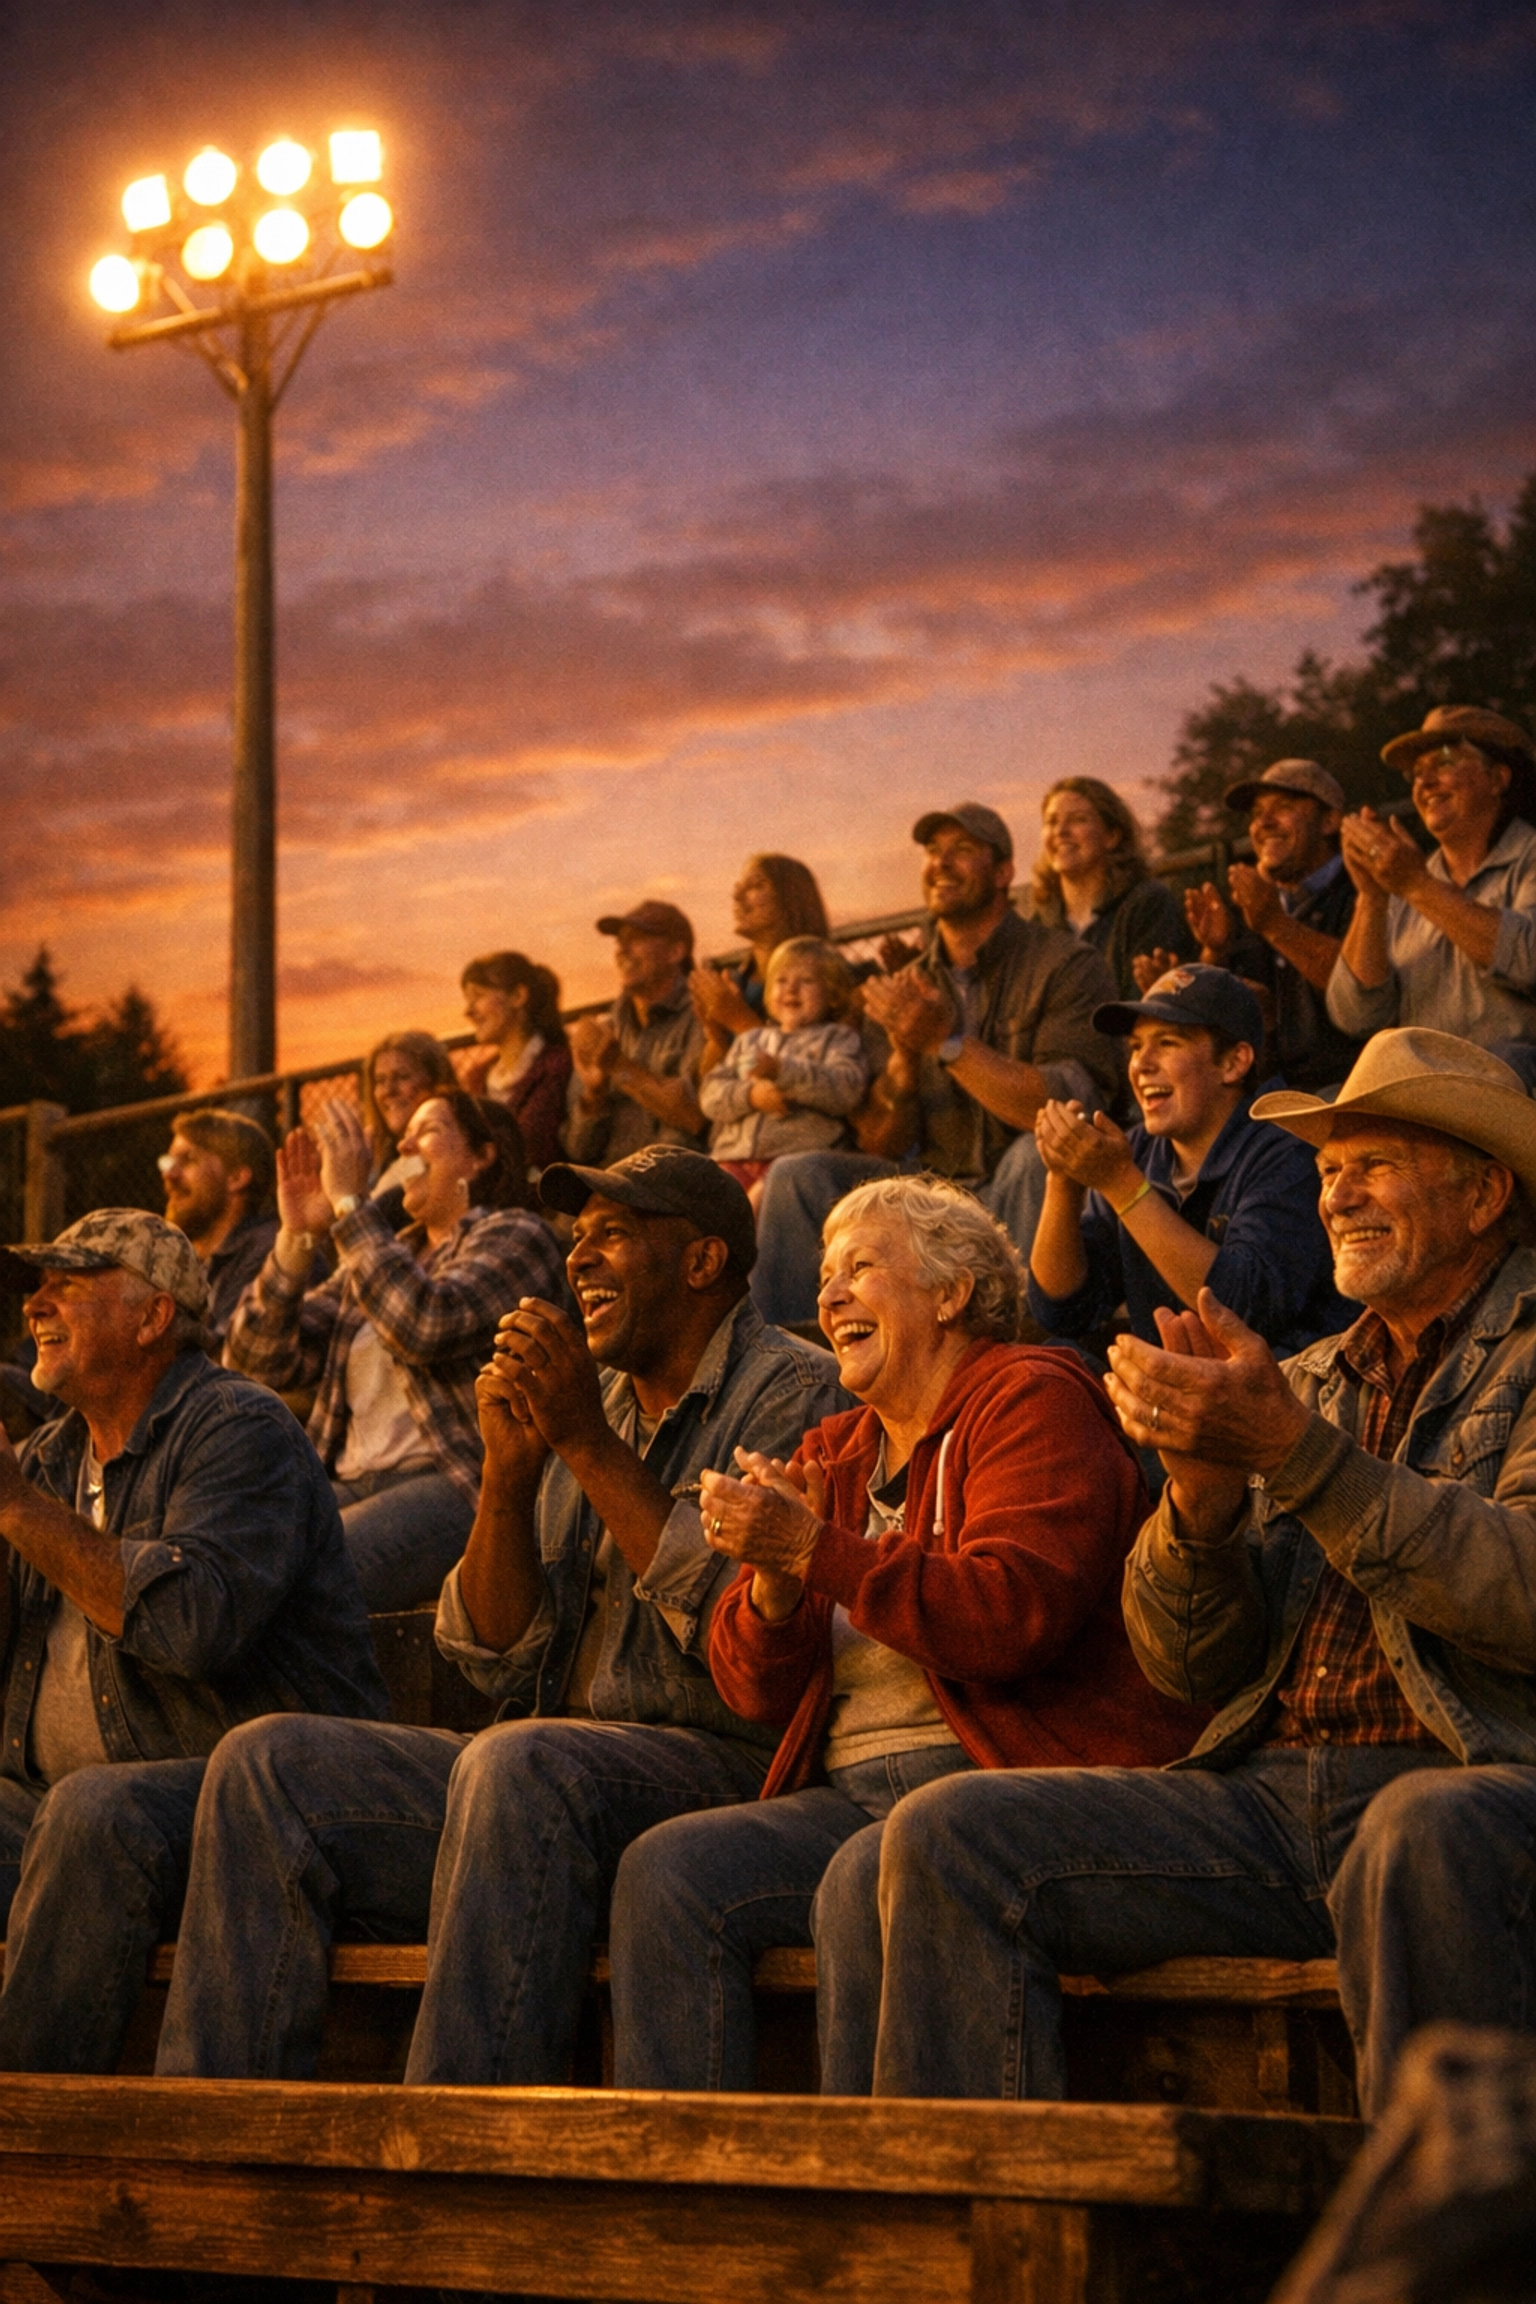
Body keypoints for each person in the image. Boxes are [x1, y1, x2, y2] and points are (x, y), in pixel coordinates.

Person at [857, 1027, 1536, 2118]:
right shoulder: (1307, 1381)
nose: (1338, 1196)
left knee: (1422, 1832)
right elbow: (1186, 1667)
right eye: (1325, 1171)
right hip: (1267, 1806)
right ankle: (976, 2250)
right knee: (952, 1835)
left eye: (1374, 1164)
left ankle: (1431, 2251)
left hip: (1478, 1782)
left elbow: (1522, 1593)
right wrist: (1200, 1508)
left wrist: (1294, 1458)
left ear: (1485, 1192)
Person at [154, 1149, 847, 2085]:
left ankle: (454, 2145)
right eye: (577, 1238)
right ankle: (219, 2141)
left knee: (522, 1760)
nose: (580, 1259)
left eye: (613, 1236)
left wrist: (583, 1445)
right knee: (269, 1764)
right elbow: (488, 1656)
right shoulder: (588, 1404)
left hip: (721, 1770)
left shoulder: (796, 1391)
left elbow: (737, 1634)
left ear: (702, 1262)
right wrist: (509, 1485)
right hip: (542, 1773)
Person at [607, 1176, 1206, 2094]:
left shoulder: (1033, 1396)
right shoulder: (836, 1450)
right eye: (823, 1279)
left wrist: (819, 1550)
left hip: (1003, 1783)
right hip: (854, 1794)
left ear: (952, 1291)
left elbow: (1012, 1615)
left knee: (864, 1877)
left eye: (861, 1269)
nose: (829, 1295)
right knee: (670, 1870)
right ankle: (693, 2200)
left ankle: (888, 2198)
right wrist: (773, 1579)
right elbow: (755, 1693)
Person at [0, 1209, 386, 2073]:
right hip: (52, 1804)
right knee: (75, 1812)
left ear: (154, 1316)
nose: (37, 1304)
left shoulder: (237, 1430)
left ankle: (28, 2149)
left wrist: (19, 1512)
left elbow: (191, 1628)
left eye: (68, 1281)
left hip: (236, 1806)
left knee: (95, 1812)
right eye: (35, 1286)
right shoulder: (52, 1453)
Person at [752, 803, 1122, 1326]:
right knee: (797, 1176)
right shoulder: (907, 985)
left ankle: (1033, 1359)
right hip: (932, 1195)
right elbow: (881, 1140)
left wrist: (947, 1044)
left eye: (962, 851)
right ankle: (801, 1374)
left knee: (1038, 1153)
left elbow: (1066, 1105)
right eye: (932, 852)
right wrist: (904, 1062)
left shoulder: (1064, 963)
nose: (941, 864)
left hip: (1017, 1182)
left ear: (1003, 873)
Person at [225, 1090, 568, 1612]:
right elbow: (255, 1360)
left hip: (459, 1482)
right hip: (349, 1479)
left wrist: (349, 1207)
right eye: (403, 1133)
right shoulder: (384, 1253)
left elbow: (426, 1323)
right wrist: (295, 1237)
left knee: (306, 1584)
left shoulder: (517, 1234)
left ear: (481, 1155)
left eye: (427, 1129)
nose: (404, 1143)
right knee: (227, 1558)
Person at [1028, 964, 1350, 1356]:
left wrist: (1122, 1185)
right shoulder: (1138, 1151)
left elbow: (1244, 1311)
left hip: (1281, 1393)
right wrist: (1063, 1178)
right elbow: (1063, 1311)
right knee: (1058, 1358)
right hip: (1176, 1391)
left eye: (1166, 1042)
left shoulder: (1289, 1149)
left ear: (1234, 1062)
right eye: (1134, 1047)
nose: (1141, 1064)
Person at [1328, 706, 1536, 1082]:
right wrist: (1372, 899)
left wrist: (1417, 886)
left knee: (1507, 1061)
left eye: (1442, 763)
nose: (1423, 784)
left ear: (1498, 778)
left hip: (1517, 1100)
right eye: (1416, 773)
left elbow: (1531, 959)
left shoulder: (1528, 858)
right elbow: (1357, 1017)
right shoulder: (1404, 880)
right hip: (1422, 1093)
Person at [1165, 760, 1364, 1094]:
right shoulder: (1245, 908)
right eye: (1257, 813)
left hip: (1350, 1090)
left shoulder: (1364, 887)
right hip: (1265, 1096)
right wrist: (1214, 953)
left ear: (1330, 820)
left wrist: (1275, 924)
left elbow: (1365, 993)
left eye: (1283, 807)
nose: (1264, 823)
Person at [700, 937, 868, 1199]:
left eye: (806, 981)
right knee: (706, 1201)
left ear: (833, 995)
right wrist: (751, 1096)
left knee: (755, 1201)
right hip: (732, 1158)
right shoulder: (750, 1041)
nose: (791, 989)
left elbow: (845, 1090)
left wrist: (782, 1071)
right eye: (781, 980)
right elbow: (710, 1095)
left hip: (792, 1160)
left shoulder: (837, 1039)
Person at [566, 900, 706, 1165]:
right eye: (619, 942)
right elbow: (578, 1151)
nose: (622, 950)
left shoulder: (702, 1015)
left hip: (667, 1187)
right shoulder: (608, 1028)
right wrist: (594, 1095)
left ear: (676, 952)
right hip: (608, 1187)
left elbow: (694, 1119)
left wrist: (618, 1067)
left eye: (637, 939)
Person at [1028, 777, 1192, 999]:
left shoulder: (1147, 905)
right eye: (1051, 821)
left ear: (1112, 836)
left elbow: (1146, 1006)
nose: (1061, 831)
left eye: (1078, 819)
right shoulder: (1039, 927)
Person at [692, 854, 832, 1069]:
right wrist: (717, 1036)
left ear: (792, 897)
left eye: (756, 886)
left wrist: (737, 1019)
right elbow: (704, 1091)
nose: (737, 896)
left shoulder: (833, 980)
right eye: (738, 887)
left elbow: (818, 1080)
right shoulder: (736, 984)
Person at [158, 1107, 279, 1342]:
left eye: (188, 1160)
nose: (169, 1174)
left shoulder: (268, 1251)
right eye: (169, 1162)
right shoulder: (181, 1262)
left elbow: (222, 1356)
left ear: (236, 1178)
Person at [456, 952, 573, 1175]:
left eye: (477, 996)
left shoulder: (559, 1066)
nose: (468, 1011)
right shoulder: (476, 1078)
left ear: (518, 996)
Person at [360, 1031, 458, 1207]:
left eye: (403, 1077)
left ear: (436, 1081)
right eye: (380, 1081)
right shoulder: (381, 1160)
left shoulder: (441, 1158)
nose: (388, 1091)